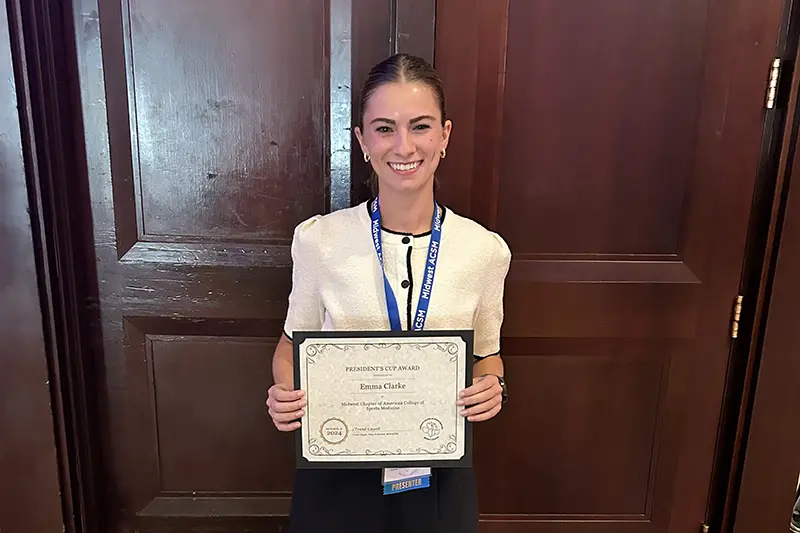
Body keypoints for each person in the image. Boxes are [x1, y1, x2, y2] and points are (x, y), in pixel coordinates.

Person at [265, 53, 512, 533]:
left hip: (438, 473)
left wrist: (494, 388)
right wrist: (285, 393)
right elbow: (291, 347)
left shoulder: (484, 251)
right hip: (337, 467)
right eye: (384, 128)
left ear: (445, 136)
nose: (403, 146)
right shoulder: (320, 240)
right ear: (362, 140)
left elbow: (488, 355)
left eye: (420, 126)